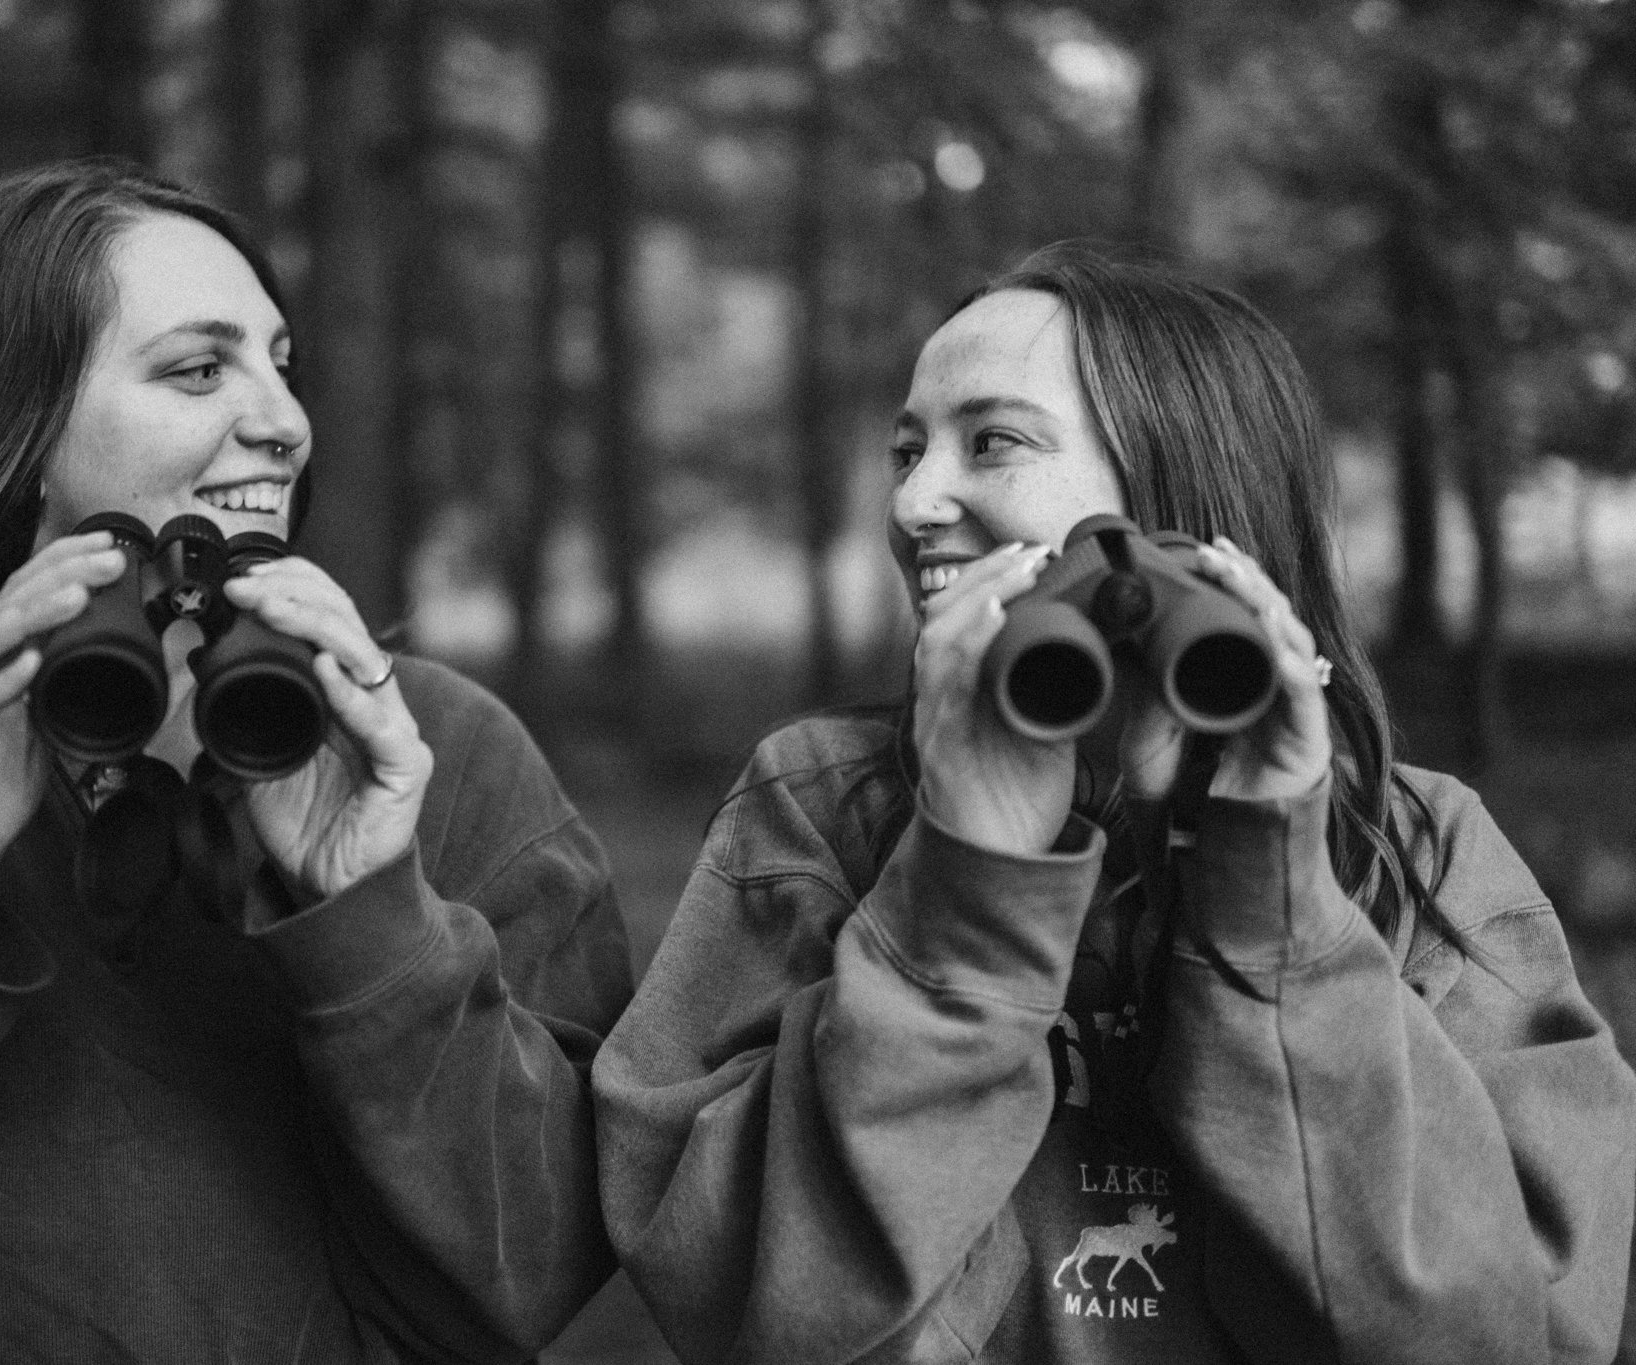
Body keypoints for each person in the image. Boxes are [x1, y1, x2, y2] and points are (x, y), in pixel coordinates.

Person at [0, 158, 631, 1364]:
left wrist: (376, 922)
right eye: (199, 369)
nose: (284, 423)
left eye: (279, 366)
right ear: (13, 430)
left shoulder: (438, 751)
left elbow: (546, 1269)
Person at [593, 244, 1636, 1363]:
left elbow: (1500, 1338)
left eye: (988, 442)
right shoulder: (819, 809)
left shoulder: (1420, 854)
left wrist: (1271, 896)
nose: (909, 500)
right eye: (906, 449)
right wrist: (966, 877)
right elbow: (746, 1307)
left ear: (1175, 492)